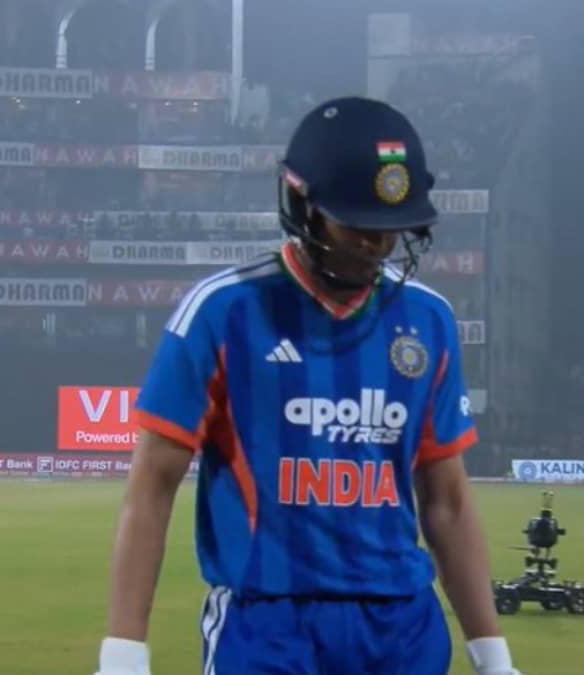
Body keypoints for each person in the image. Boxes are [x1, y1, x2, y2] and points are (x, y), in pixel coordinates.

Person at [95, 96, 521, 675]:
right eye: (357, 225)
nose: (376, 245)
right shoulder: (222, 312)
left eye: (390, 228)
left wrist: (494, 658)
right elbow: (152, 487)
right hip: (268, 626)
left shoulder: (429, 320)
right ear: (303, 205)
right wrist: (123, 655)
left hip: (404, 628)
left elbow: (447, 503)